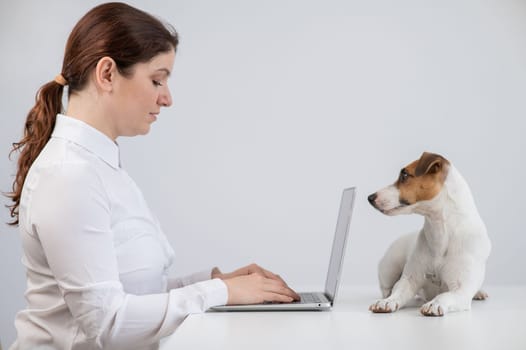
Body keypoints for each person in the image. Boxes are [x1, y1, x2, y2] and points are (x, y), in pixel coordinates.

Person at [6, 3, 299, 349]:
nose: (167, 98)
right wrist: (220, 292)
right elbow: (107, 322)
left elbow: (135, 295)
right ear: (107, 74)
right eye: (157, 79)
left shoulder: (100, 166)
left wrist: (218, 282)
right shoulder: (69, 174)